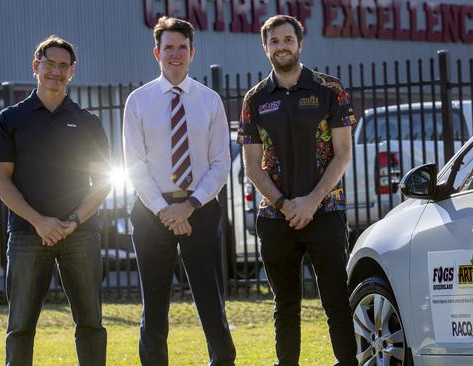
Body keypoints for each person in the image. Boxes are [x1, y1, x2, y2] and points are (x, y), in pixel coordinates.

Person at [238, 14, 358, 366]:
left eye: (287, 39)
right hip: (276, 218)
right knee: (285, 304)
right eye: (274, 41)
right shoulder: (255, 99)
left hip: (326, 211)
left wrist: (311, 201)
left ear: (300, 44)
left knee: (336, 298)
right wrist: (285, 204)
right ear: (265, 48)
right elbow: (251, 166)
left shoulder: (329, 89)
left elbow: (344, 154)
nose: (281, 46)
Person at [0, 35, 110, 366]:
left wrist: (72, 222)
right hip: (28, 235)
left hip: (80, 235)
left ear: (72, 72)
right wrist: (39, 221)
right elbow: (1, 179)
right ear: (35, 67)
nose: (55, 72)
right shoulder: (11, 119)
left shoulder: (88, 121)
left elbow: (103, 182)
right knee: (20, 328)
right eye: (48, 65)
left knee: (90, 325)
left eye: (62, 66)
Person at [123, 16, 236, 366]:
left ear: (192, 52)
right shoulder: (138, 102)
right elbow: (134, 165)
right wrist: (164, 211)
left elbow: (220, 163)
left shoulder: (210, 100)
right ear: (156, 52)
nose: (175, 54)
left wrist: (188, 207)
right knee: (154, 307)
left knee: (210, 300)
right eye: (168, 47)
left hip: (200, 211)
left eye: (182, 48)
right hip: (150, 212)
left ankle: (223, 361)